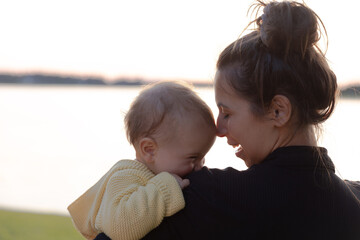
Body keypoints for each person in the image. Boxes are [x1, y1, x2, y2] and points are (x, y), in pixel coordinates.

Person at [95, 1, 360, 239]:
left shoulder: (207, 197)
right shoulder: (353, 203)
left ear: (278, 111)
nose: (218, 129)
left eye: (228, 113)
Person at [67, 81, 216, 240]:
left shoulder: (151, 173)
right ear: (149, 150)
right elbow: (121, 228)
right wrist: (164, 189)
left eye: (203, 157)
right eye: (193, 158)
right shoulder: (125, 177)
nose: (200, 166)